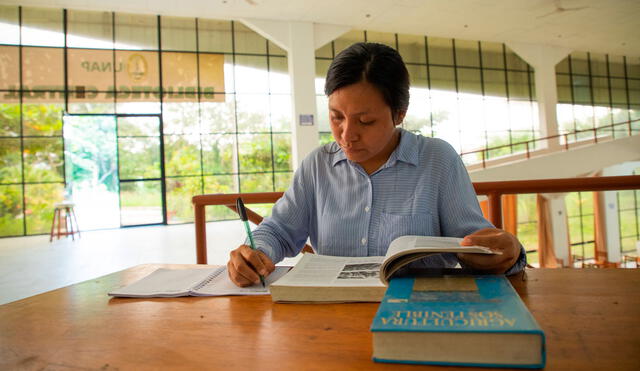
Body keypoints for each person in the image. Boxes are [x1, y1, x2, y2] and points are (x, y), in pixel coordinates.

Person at [228, 42, 526, 287]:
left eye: (365, 121)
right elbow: (279, 231)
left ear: (399, 114)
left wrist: (504, 253)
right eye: (336, 117)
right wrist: (255, 253)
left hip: (421, 311)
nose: (347, 135)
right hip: (335, 317)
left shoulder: (437, 160)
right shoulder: (317, 166)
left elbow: (476, 243)